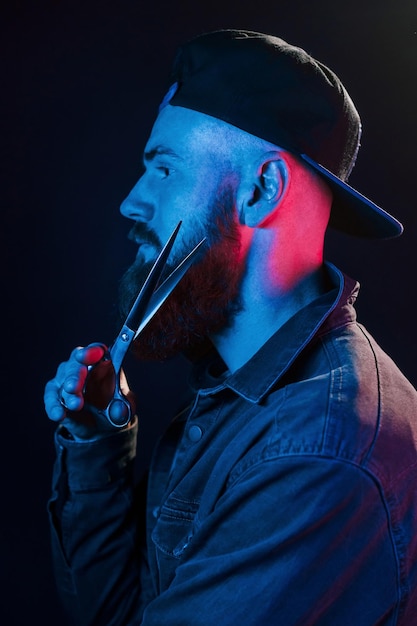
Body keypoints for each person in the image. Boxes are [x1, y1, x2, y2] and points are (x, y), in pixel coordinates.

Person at [44, 29, 417, 625]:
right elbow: (120, 615)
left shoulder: (320, 453)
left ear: (262, 189)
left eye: (163, 170)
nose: (131, 202)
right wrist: (98, 442)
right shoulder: (234, 391)